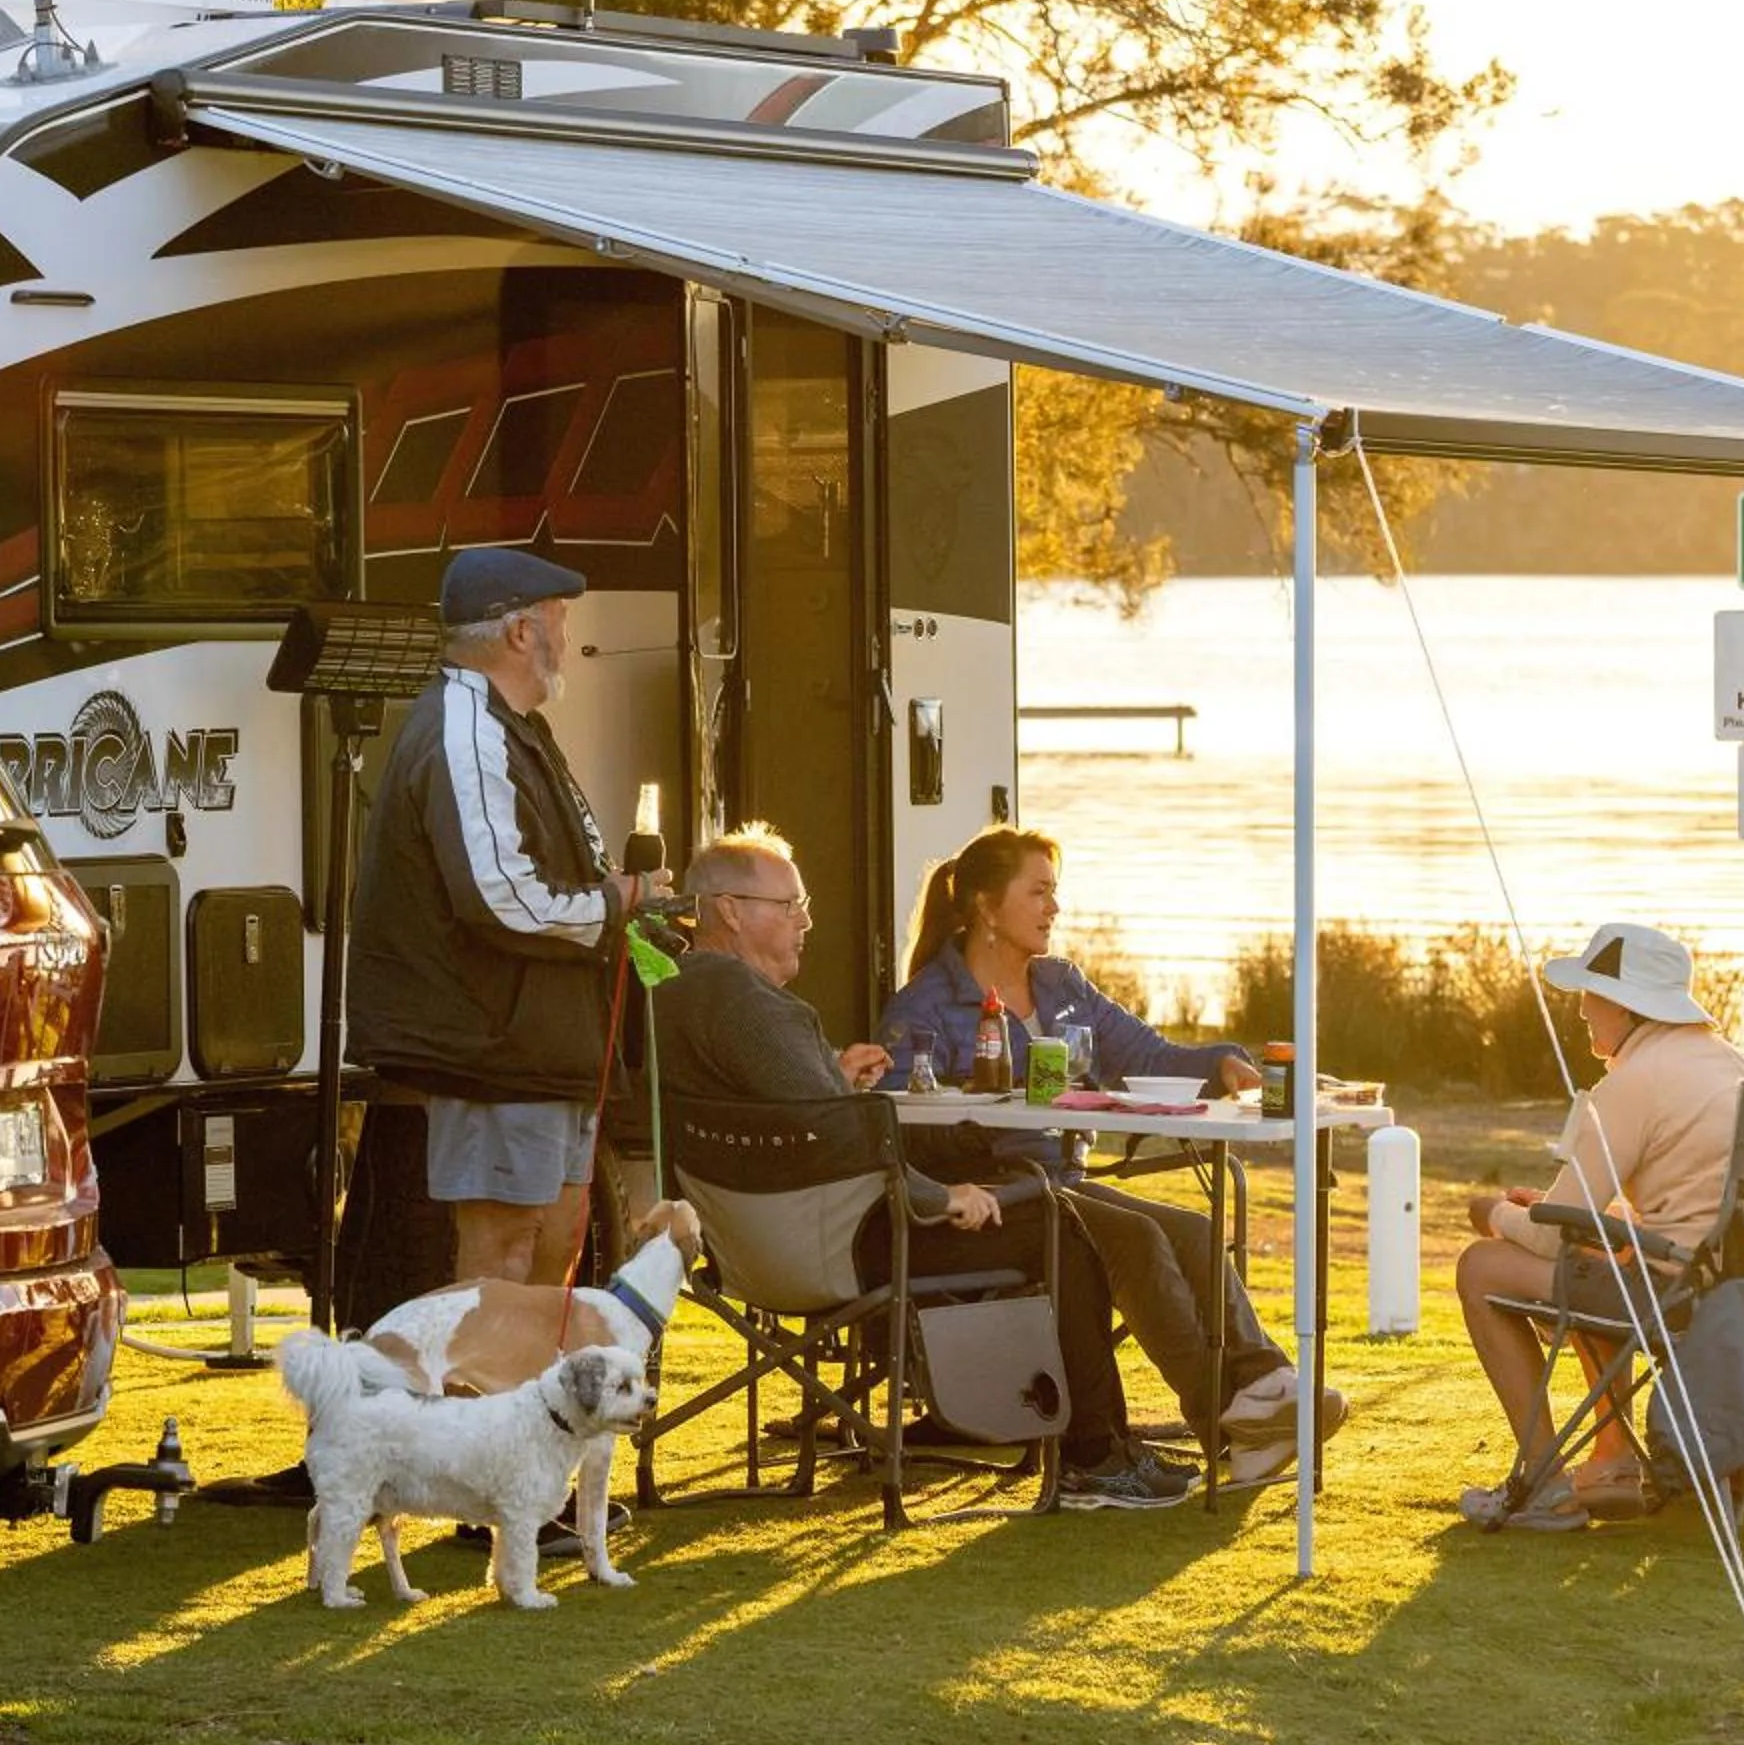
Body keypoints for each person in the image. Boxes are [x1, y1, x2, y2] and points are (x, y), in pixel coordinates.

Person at [652, 825, 1190, 1510]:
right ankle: (1094, 1457)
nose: (806, 920)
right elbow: (841, 1144)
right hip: (840, 1249)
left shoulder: (672, 991)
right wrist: (940, 1199)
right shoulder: (748, 1004)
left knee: (1051, 1214)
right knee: (1056, 1225)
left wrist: (833, 1077)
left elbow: (792, 1119)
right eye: (789, 905)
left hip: (746, 1247)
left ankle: (1080, 1441)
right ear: (729, 910)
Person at [876, 825, 1345, 1491]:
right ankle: (1233, 1416)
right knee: (1140, 1238)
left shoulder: (1063, 985)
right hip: (1003, 1198)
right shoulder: (925, 1006)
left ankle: (1264, 1390)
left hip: (1062, 1180)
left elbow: (1148, 1058)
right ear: (985, 905)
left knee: (1198, 1229)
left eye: (1054, 893)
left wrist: (1225, 1064)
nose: (1053, 909)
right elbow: (898, 1127)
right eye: (1038, 892)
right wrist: (980, 1129)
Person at [345, 548, 659, 1290]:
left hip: (541, 1049)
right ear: (519, 632)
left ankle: (531, 1406)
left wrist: (618, 901)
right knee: (503, 1258)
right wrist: (613, 905)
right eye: (557, 615)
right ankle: (479, 1406)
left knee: (556, 1244)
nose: (566, 632)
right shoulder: (465, 727)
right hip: (493, 1050)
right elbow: (498, 898)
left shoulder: (510, 724)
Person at [1453, 922, 1744, 1532]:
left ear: (1625, 1005)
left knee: (1480, 1265)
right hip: (1736, 1289)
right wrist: (1579, 1217)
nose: (1583, 1010)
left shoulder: (1632, 1083)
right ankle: (1614, 1459)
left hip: (1674, 1293)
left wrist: (1494, 1213)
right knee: (1597, 1250)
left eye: (1592, 995)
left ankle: (1542, 1484)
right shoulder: (1741, 1065)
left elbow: (1548, 1237)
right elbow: (1693, 1203)